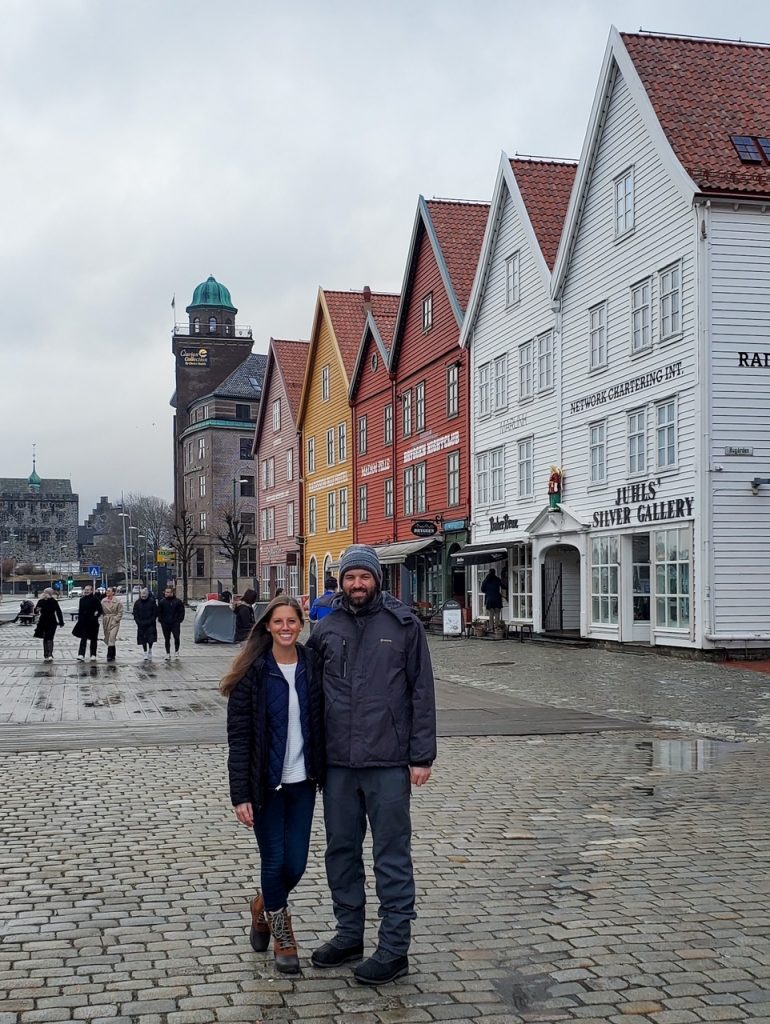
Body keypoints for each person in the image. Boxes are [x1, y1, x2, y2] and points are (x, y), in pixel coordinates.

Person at [306, 544, 436, 986]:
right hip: (339, 763)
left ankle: (394, 948)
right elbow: (308, 696)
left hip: (388, 760)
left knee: (391, 855)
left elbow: (422, 693)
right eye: (349, 577)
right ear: (340, 581)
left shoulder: (404, 627)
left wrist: (422, 755)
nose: (357, 584)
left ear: (377, 579)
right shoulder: (326, 629)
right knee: (340, 852)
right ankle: (349, 934)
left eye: (364, 576)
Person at [220, 596, 325, 975]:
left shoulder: (312, 664)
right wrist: (241, 794)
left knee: (295, 864)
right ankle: (284, 933)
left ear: (301, 624)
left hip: (303, 781)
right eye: (278, 621)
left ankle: (261, 907)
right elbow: (240, 739)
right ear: (267, 626)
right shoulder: (253, 672)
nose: (285, 627)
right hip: (266, 785)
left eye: (292, 621)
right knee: (275, 859)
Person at [33, 588, 64, 662]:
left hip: (52, 622)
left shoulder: (54, 602)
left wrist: (61, 622)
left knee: (50, 637)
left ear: (50, 594)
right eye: (44, 593)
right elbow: (36, 611)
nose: (44, 594)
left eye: (46, 593)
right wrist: (37, 610)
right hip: (43, 621)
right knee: (45, 638)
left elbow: (58, 611)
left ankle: (50, 654)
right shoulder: (40, 601)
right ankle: (46, 653)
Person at [73, 584, 103, 661]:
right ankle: (81, 654)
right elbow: (80, 611)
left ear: (91, 591)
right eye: (85, 590)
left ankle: (93, 654)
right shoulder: (82, 599)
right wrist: (80, 620)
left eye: (88, 590)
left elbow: (100, 610)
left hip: (93, 623)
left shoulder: (95, 599)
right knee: (83, 638)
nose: (86, 591)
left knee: (93, 639)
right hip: (84, 622)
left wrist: (96, 616)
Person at [157, 585, 185, 659]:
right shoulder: (162, 602)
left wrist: (179, 620)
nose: (166, 593)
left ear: (172, 593)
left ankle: (176, 651)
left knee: (176, 637)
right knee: (167, 638)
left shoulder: (178, 602)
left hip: (175, 623)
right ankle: (167, 653)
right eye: (165, 592)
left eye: (168, 592)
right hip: (165, 623)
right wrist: (161, 620)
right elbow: (159, 612)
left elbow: (181, 611)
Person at [133, 587, 158, 660]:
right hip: (141, 624)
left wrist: (152, 620)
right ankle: (145, 652)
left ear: (147, 594)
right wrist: (138, 622)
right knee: (143, 639)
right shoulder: (137, 603)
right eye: (142, 594)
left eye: (145, 594)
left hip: (151, 624)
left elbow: (155, 612)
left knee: (150, 639)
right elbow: (135, 613)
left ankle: (150, 649)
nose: (143, 595)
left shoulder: (152, 602)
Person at [101, 587, 123, 662]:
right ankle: (113, 653)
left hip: (114, 621)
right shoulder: (103, 601)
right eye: (107, 591)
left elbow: (120, 612)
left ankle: (109, 655)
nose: (107, 592)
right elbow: (100, 610)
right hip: (106, 620)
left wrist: (116, 619)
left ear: (113, 593)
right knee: (107, 637)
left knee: (112, 637)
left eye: (109, 591)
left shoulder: (117, 602)